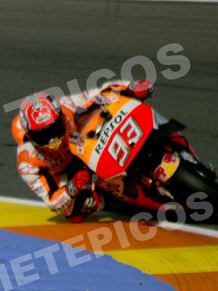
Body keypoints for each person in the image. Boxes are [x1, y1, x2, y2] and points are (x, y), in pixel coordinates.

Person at [11, 79, 154, 222]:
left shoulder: (66, 106)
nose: (53, 139)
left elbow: (102, 92)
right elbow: (52, 202)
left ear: (59, 116)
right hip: (70, 173)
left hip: (87, 144)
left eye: (55, 128)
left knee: (116, 106)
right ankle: (105, 200)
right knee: (74, 214)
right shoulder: (27, 163)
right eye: (43, 136)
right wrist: (72, 188)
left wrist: (131, 87)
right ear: (30, 136)